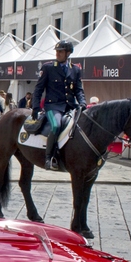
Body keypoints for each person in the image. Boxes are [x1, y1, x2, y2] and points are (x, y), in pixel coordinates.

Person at [32, 40, 86, 170]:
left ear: (68, 53)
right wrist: (35, 107)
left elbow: (78, 89)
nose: (57, 54)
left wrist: (83, 102)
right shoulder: (48, 67)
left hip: (70, 106)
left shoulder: (75, 69)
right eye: (57, 51)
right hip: (53, 106)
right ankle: (49, 157)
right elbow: (38, 89)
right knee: (56, 125)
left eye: (60, 51)